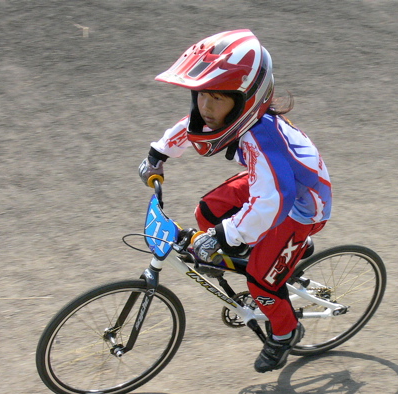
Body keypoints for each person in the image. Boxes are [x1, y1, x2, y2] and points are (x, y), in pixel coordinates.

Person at [138, 29, 332, 373]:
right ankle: (269, 252)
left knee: (260, 280)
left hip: (301, 205)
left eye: (218, 98)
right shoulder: (235, 118)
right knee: (208, 210)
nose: (206, 107)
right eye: (201, 95)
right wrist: (158, 153)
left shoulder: (263, 140)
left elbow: (272, 203)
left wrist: (227, 235)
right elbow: (192, 126)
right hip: (269, 182)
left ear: (245, 100)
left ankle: (285, 332)